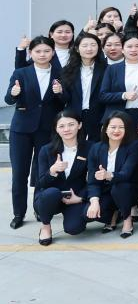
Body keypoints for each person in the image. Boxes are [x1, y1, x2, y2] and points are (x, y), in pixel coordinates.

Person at [6, 36, 69, 229]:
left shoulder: (59, 73)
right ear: (31, 53)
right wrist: (13, 94)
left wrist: (60, 92)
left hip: (47, 129)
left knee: (41, 172)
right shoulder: (21, 72)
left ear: (53, 52)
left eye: (47, 51)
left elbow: (65, 101)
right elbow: (8, 99)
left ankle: (39, 208)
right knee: (19, 173)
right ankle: (18, 213)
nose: (42, 55)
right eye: (38, 51)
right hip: (22, 130)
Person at [34, 110, 89, 245]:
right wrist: (52, 170)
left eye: (71, 124)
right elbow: (40, 183)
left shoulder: (90, 148)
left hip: (73, 197)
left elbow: (94, 180)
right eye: (62, 126)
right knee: (52, 193)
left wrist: (81, 198)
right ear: (56, 129)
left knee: (74, 228)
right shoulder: (46, 150)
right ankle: (45, 226)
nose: (66, 129)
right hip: (49, 197)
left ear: (79, 125)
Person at [86, 111, 138, 238]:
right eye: (113, 127)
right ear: (105, 129)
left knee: (119, 187)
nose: (117, 130)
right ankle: (113, 213)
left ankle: (127, 218)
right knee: (89, 213)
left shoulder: (133, 146)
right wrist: (94, 201)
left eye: (121, 127)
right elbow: (92, 180)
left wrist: (108, 175)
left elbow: (126, 174)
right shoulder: (96, 148)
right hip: (105, 190)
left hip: (127, 189)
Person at [61, 33, 107, 142]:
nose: (89, 49)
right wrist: (59, 92)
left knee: (96, 147)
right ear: (77, 49)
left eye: (93, 45)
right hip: (74, 116)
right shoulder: (68, 70)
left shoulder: (106, 69)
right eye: (85, 45)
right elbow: (66, 98)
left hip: (98, 116)